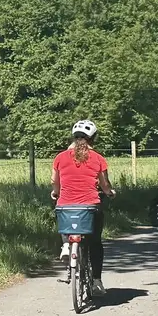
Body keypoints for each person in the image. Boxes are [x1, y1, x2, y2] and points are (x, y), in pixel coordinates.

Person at [51, 120, 115, 291]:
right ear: (93, 138)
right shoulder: (98, 158)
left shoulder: (60, 157)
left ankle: (66, 244)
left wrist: (55, 192)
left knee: (63, 213)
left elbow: (54, 182)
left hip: (65, 206)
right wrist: (110, 193)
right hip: (90, 206)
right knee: (95, 242)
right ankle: (96, 281)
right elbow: (105, 184)